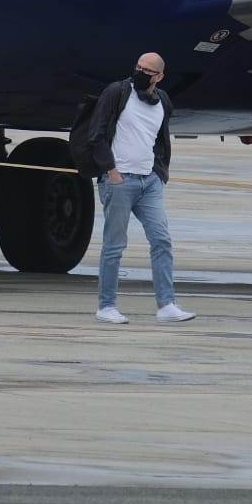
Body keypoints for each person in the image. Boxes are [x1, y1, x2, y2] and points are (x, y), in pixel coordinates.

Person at [85, 52, 194, 324]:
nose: (140, 72)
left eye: (147, 70)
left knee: (161, 239)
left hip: (149, 181)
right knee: (114, 244)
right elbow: (96, 135)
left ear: (159, 76)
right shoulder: (117, 93)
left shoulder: (163, 102)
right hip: (120, 180)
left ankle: (167, 305)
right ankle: (106, 306)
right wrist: (112, 172)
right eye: (138, 67)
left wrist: (159, 174)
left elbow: (159, 139)